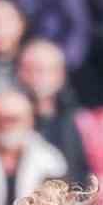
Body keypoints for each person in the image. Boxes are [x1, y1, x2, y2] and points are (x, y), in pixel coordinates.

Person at [17, 38, 89, 186]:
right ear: (20, 72)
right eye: (35, 70)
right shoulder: (9, 117)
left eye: (50, 70)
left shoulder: (77, 120)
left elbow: (84, 173)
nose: (42, 78)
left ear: (61, 75)